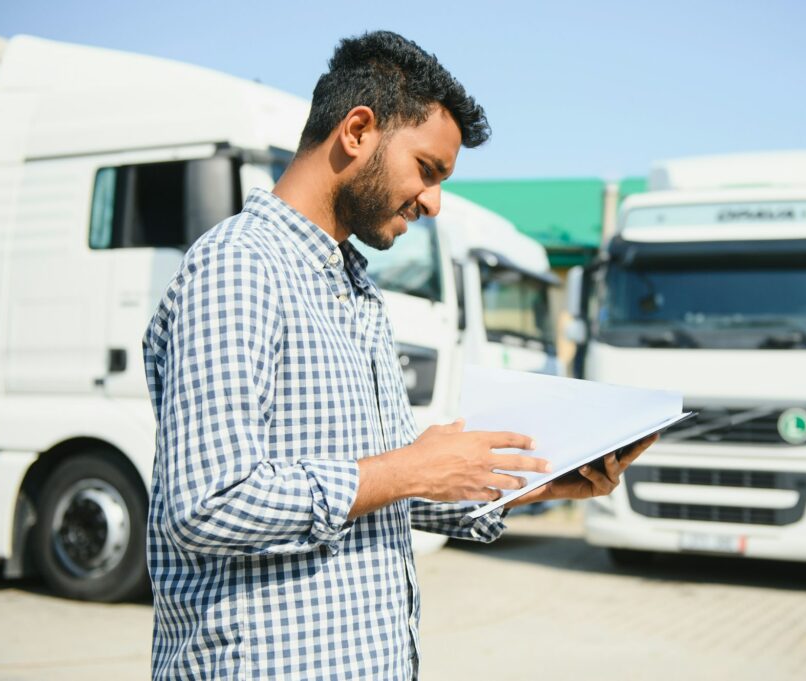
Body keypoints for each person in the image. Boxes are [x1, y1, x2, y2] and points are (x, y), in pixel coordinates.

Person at [142, 30, 657, 680]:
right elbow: (207, 502)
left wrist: (529, 485)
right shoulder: (239, 266)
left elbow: (381, 492)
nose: (434, 201)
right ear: (357, 130)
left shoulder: (356, 286)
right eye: (428, 170)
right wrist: (410, 467)